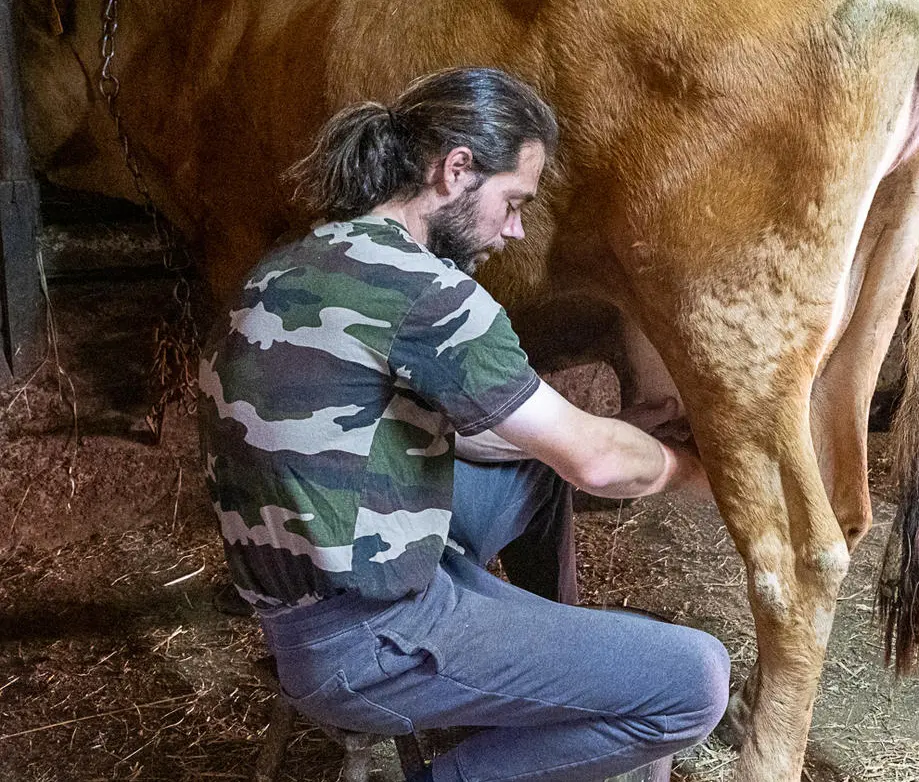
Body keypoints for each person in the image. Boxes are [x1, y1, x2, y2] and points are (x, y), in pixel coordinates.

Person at [197, 67, 730, 782]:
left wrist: (603, 433)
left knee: (532, 471)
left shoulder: (292, 266)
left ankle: (549, 669)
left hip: (314, 601)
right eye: (512, 201)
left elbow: (505, 438)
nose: (513, 230)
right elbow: (597, 464)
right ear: (455, 170)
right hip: (370, 643)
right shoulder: (432, 295)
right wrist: (707, 472)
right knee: (692, 680)